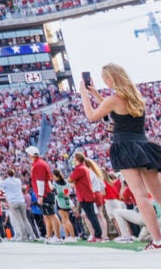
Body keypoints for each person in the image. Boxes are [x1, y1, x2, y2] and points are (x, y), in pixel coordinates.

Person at [80, 64, 161, 250]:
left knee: (140, 195)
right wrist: (95, 94)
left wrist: (84, 94)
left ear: (110, 79)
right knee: (158, 195)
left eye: (105, 78)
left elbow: (92, 116)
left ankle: (158, 240)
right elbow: (116, 113)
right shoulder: (136, 96)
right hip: (144, 145)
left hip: (125, 147)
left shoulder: (114, 99)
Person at [69, 151, 107, 242]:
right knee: (94, 216)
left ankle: (98, 235)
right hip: (89, 194)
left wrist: (73, 181)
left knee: (92, 216)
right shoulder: (86, 169)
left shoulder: (80, 169)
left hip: (85, 195)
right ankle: (100, 235)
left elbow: (70, 179)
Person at [26, 146, 60, 244]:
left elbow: (40, 181)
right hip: (46, 192)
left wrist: (40, 196)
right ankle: (49, 236)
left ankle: (57, 237)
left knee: (51, 215)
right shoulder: (40, 163)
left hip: (45, 193)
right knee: (47, 215)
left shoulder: (38, 165)